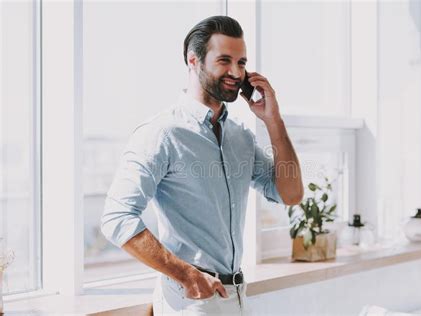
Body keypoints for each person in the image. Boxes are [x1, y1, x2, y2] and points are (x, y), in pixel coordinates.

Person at [101, 15, 304, 315]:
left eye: (242, 62)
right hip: (191, 299)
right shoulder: (162, 133)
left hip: (236, 295)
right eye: (225, 60)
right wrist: (185, 275)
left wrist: (273, 121)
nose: (236, 72)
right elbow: (116, 218)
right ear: (193, 61)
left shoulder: (241, 137)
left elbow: (291, 194)